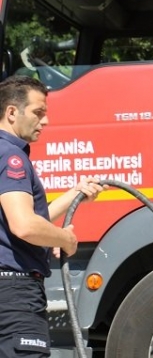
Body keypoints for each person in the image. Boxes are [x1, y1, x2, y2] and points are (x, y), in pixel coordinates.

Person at [0, 75, 106, 357]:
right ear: (12, 112)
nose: (45, 121)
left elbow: (25, 215)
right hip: (15, 293)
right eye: (38, 113)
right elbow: (24, 224)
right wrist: (66, 239)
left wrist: (75, 193)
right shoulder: (11, 156)